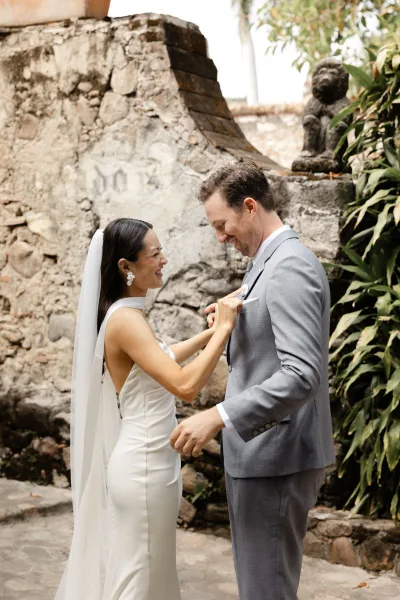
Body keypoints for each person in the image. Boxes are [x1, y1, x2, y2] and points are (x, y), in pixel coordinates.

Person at [170, 161, 336, 600]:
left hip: (274, 456)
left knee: (266, 591)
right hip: (264, 454)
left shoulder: (288, 267)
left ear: (249, 207)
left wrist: (218, 416)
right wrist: (234, 319)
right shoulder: (271, 260)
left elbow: (301, 374)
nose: (220, 237)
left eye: (222, 225)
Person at [55, 217, 242, 600]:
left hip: (154, 463)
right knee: (137, 581)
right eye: (155, 254)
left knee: (153, 575)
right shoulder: (124, 321)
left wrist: (210, 332)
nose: (164, 260)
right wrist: (223, 332)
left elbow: (163, 356)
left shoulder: (129, 314)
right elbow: (185, 386)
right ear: (125, 266)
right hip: (142, 467)